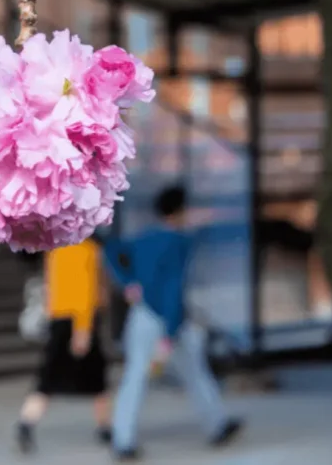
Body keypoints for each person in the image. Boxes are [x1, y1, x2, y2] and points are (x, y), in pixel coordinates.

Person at [105, 185, 242, 461]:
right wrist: (170, 328)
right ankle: (216, 426)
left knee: (135, 376)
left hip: (143, 314)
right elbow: (173, 287)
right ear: (179, 211)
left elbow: (111, 250)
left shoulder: (144, 238)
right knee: (195, 372)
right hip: (171, 319)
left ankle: (123, 439)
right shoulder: (180, 242)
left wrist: (128, 282)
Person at [15, 238, 113, 454]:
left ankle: (26, 423)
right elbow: (85, 292)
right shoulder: (89, 250)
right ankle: (105, 428)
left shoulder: (54, 250)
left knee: (48, 378)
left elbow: (52, 287)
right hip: (80, 321)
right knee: (97, 378)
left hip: (58, 319)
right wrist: (83, 329)